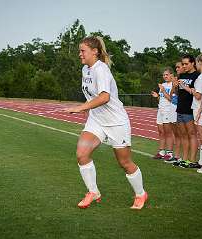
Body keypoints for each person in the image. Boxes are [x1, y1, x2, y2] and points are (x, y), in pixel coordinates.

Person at [65, 36, 148, 209]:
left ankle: (141, 194)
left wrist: (81, 108)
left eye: (82, 51)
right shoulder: (85, 69)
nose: (79, 54)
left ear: (94, 51)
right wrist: (87, 109)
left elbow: (104, 97)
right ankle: (93, 192)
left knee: (124, 163)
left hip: (116, 122)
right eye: (80, 51)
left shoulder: (100, 69)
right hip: (96, 120)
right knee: (82, 154)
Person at [172, 55, 200, 168]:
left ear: (193, 63)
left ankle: (192, 160)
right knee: (183, 135)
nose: (184, 66)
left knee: (192, 134)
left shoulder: (197, 76)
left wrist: (184, 86)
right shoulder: (182, 75)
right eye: (182, 64)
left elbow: (197, 93)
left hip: (190, 109)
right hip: (180, 107)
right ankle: (184, 159)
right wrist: (175, 86)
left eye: (186, 64)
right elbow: (178, 93)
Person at [151, 68, 177, 162]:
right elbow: (161, 99)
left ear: (171, 75)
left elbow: (171, 99)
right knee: (161, 132)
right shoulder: (163, 85)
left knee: (168, 132)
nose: (165, 76)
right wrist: (157, 96)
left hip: (168, 110)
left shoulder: (173, 85)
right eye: (164, 75)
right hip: (160, 110)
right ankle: (161, 152)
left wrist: (163, 90)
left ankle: (169, 153)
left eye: (167, 74)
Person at [191, 54, 202, 172]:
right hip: (200, 108)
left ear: (199, 63)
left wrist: (191, 91)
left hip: (200, 109)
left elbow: (198, 96)